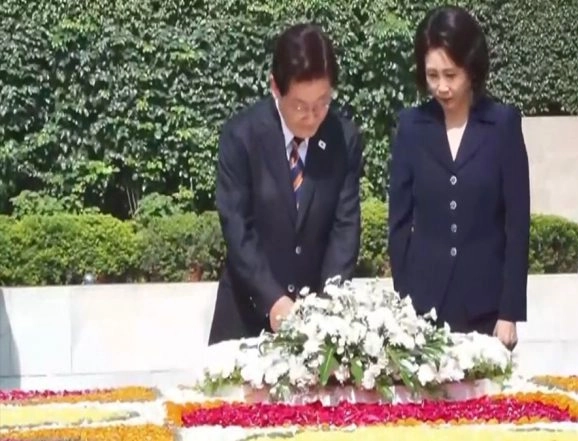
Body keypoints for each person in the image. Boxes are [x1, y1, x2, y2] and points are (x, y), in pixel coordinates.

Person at [208, 23, 364, 345]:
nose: (312, 116)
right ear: (275, 88)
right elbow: (238, 230)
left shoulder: (342, 138)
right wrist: (274, 301)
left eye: (323, 102)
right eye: (300, 105)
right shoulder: (242, 137)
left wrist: (327, 307)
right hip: (247, 316)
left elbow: (344, 227)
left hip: (318, 324)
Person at [387, 6, 530, 349]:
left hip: (485, 307)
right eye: (433, 75)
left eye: (451, 75)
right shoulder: (411, 127)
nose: (442, 87)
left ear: (471, 68)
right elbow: (399, 223)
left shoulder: (503, 125)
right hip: (423, 306)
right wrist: (404, 301)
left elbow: (516, 224)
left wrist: (509, 312)